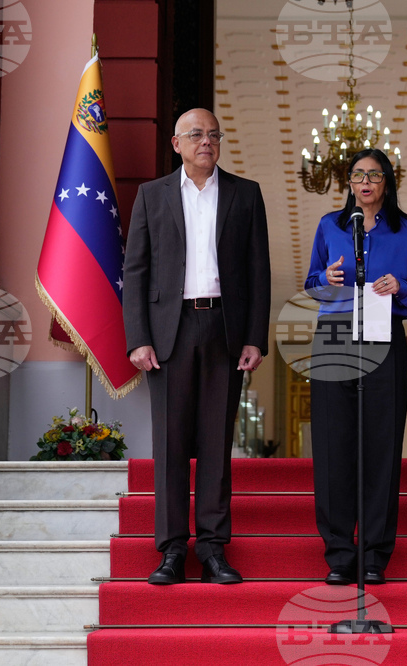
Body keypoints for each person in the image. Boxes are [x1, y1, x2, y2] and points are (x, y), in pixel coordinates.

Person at [123, 108, 270, 585]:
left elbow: (257, 271)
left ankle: (212, 549)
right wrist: (138, 338)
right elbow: (136, 272)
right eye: (195, 135)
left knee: (215, 444)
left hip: (224, 329)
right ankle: (170, 551)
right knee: (168, 444)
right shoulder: (152, 195)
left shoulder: (246, 195)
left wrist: (254, 335)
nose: (206, 142)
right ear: (176, 144)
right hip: (170, 331)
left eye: (213, 135)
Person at [305, 148, 407, 585]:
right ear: (349, 183)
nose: (365, 183)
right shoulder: (331, 226)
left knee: (381, 445)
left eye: (374, 175)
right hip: (336, 336)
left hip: (384, 334)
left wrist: (402, 286)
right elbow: (311, 282)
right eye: (358, 175)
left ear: (387, 183)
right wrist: (327, 279)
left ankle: (375, 553)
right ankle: (340, 553)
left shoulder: (406, 229)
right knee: (333, 443)